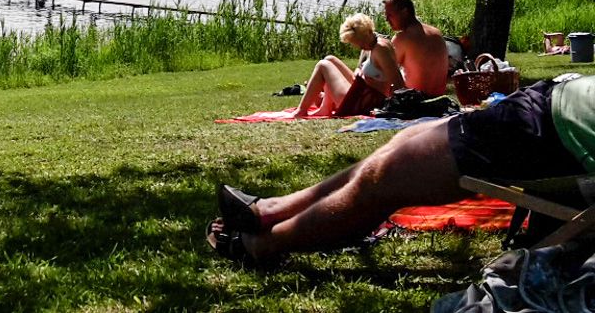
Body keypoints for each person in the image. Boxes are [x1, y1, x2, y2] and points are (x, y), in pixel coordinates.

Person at [208, 75, 595, 267]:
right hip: (548, 104)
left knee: (388, 175)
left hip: (546, 132)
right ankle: (273, 209)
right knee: (404, 140)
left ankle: (262, 244)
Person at [290, 13, 402, 118]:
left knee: (323, 65)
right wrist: (360, 72)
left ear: (368, 32)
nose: (360, 47)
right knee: (329, 59)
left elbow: (398, 82)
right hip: (362, 91)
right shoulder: (373, 42)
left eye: (361, 43)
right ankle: (326, 108)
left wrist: (392, 106)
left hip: (366, 102)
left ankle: (301, 110)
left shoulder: (380, 49)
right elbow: (366, 69)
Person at [383, 0, 448, 96]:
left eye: (390, 15)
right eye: (386, 15)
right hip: (438, 99)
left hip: (415, 102)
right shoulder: (436, 32)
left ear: (404, 12)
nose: (387, 19)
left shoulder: (403, 38)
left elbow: (384, 71)